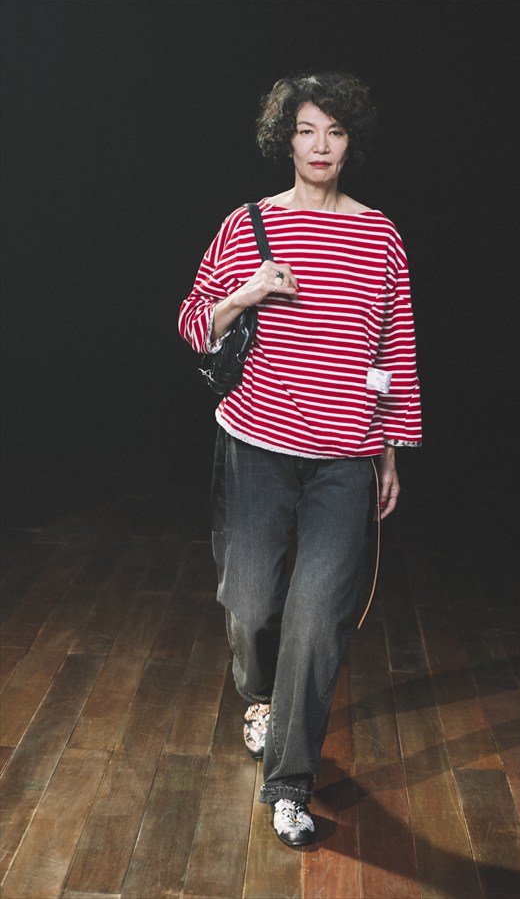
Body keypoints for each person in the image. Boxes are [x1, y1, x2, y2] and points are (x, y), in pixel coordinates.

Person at [178, 71, 421, 847]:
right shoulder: (247, 224)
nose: (321, 146)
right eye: (307, 130)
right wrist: (246, 292)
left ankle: (289, 783)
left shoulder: (380, 235)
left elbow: (392, 351)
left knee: (318, 620)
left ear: (352, 143)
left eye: (335, 132)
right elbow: (194, 323)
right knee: (250, 602)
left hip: (345, 457)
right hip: (255, 445)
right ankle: (261, 696)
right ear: (286, 140)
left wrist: (389, 450)